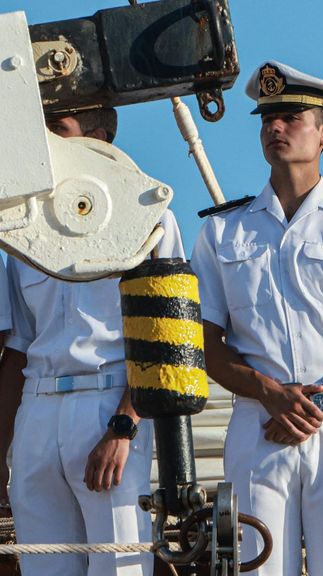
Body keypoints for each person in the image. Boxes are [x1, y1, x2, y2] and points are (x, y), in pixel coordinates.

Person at [191, 61, 323, 576]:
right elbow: (206, 342)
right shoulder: (221, 233)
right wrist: (267, 391)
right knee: (254, 565)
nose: (274, 128)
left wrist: (320, 401)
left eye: (291, 118)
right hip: (257, 420)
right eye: (267, 119)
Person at [0, 106, 184, 576]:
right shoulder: (22, 229)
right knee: (43, 568)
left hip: (109, 405)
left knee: (118, 566)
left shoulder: (149, 216)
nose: (46, 147)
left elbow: (163, 339)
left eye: (59, 132)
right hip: (37, 413)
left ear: (100, 138)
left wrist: (124, 426)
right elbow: (19, 348)